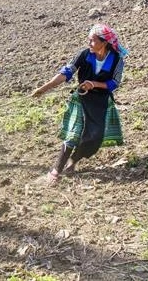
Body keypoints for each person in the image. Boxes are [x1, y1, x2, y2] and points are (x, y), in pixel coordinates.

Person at [31, 24, 128, 184]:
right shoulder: (84, 55)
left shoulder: (116, 60)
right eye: (89, 40)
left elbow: (114, 83)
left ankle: (74, 160)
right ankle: (55, 171)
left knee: (95, 137)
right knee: (73, 134)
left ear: (104, 43)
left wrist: (94, 84)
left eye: (92, 41)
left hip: (100, 101)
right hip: (81, 99)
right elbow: (66, 73)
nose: (89, 44)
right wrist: (43, 89)